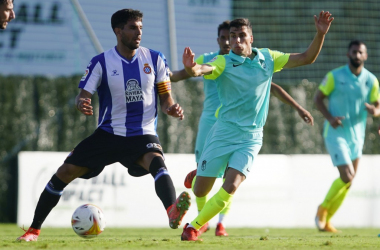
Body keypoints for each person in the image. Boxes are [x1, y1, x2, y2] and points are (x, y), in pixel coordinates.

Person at [16, 8, 191, 242]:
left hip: (142, 132)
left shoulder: (156, 59)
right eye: (132, 27)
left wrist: (171, 107)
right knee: (64, 172)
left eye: (140, 27)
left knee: (157, 162)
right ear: (118, 31)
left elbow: (166, 97)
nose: (138, 32)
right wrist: (83, 102)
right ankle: (33, 230)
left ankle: (172, 212)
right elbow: (83, 94)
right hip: (108, 134)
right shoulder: (101, 62)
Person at [180, 11, 334, 241]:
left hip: (251, 137)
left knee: (231, 185)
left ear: (251, 38)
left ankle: (193, 227)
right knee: (200, 190)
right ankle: (201, 173)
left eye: (242, 36)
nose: (236, 41)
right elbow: (203, 69)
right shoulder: (224, 61)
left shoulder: (268, 58)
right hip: (223, 133)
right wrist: (193, 68)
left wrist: (320, 34)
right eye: (232, 36)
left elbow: (305, 58)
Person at [314, 40, 380, 233]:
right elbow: (317, 98)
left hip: (357, 137)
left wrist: (374, 111)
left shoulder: (371, 80)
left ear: (365, 56)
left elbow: (378, 106)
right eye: (354, 52)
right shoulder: (334, 76)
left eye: (361, 52)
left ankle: (326, 222)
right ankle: (322, 209)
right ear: (348, 54)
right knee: (347, 175)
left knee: (349, 183)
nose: (357, 55)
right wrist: (330, 118)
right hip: (336, 134)